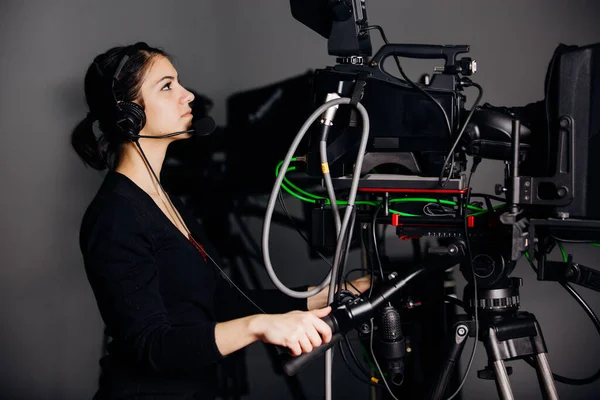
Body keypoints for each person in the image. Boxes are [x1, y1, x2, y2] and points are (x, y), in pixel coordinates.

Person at [71, 42, 370, 399]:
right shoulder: (115, 216)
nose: (187, 96)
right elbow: (153, 347)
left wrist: (318, 298)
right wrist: (259, 327)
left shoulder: (168, 201)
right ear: (128, 115)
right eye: (167, 86)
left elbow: (217, 301)